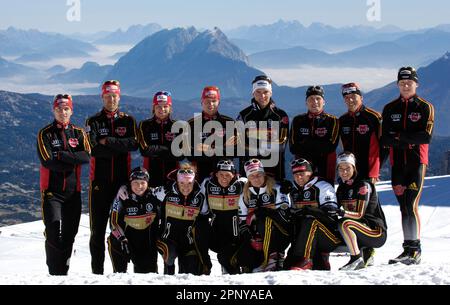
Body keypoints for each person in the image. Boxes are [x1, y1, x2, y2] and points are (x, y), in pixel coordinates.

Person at [381, 67, 434, 265]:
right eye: (402, 82)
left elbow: (425, 137)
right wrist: (407, 139)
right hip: (398, 165)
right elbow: (385, 139)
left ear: (416, 84)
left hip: (417, 163)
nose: (405, 85)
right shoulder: (390, 108)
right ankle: (407, 249)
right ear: (397, 84)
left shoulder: (425, 107)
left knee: (411, 205)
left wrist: (399, 137)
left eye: (409, 82)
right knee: (403, 207)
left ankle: (415, 250)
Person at [85, 80, 139, 274]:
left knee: (122, 229)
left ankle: (121, 272)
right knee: (97, 231)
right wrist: (118, 146)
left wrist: (107, 141)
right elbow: (93, 149)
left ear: (119, 97)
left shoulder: (128, 120)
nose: (111, 99)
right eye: (107, 96)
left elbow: (133, 145)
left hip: (122, 184)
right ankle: (97, 273)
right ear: (102, 97)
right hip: (98, 183)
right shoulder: (93, 121)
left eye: (114, 96)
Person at [37, 94, 91, 275]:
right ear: (54, 110)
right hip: (52, 192)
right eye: (59, 109)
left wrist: (62, 155)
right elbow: (47, 161)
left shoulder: (79, 132)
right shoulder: (45, 133)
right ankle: (54, 272)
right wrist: (73, 160)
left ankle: (64, 272)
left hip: (73, 192)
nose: (63, 112)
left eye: (66, 109)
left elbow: (86, 156)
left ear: (71, 111)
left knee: (70, 234)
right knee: (53, 230)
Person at [284, 158, 342, 271]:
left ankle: (306, 260)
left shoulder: (323, 186)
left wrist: (309, 210)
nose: (298, 177)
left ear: (310, 173)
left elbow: (331, 216)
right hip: (305, 238)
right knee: (287, 267)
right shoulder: (294, 190)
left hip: (329, 237)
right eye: (295, 174)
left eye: (302, 173)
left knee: (310, 219)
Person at [154, 163, 211, 275]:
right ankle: (168, 276)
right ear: (177, 182)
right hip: (166, 239)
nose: (186, 187)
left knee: (191, 270)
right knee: (169, 255)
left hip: (187, 241)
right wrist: (124, 188)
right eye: (182, 183)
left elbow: (204, 217)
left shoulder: (200, 197)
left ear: (194, 182)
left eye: (189, 183)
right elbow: (143, 191)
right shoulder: (166, 192)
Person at [335, 152, 387, 270]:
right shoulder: (342, 187)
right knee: (334, 228)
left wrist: (341, 212)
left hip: (376, 231)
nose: (344, 172)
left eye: (347, 168)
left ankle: (356, 259)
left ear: (354, 167)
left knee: (344, 223)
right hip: (361, 230)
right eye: (340, 169)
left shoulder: (363, 185)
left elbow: (359, 214)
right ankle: (366, 251)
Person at [237, 159, 291, 272]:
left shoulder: (277, 189)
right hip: (258, 237)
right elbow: (242, 222)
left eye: (259, 174)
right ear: (248, 178)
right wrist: (250, 236)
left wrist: (262, 212)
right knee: (244, 255)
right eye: (252, 176)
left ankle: (273, 258)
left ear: (264, 173)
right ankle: (256, 263)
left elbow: (285, 217)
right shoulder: (245, 195)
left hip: (281, 234)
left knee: (263, 219)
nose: (256, 178)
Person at [237, 75, 289, 182]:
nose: (262, 96)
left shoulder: (281, 115)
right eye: (258, 92)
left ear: (271, 93)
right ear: (253, 93)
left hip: (274, 170)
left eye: (265, 92)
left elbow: (280, 146)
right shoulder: (243, 115)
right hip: (249, 171)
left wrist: (252, 138)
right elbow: (240, 146)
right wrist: (268, 139)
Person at [108, 167, 159, 273]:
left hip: (146, 243)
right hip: (126, 240)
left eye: (142, 182)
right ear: (130, 182)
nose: (139, 186)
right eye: (135, 182)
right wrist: (122, 239)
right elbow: (113, 223)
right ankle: (119, 276)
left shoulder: (155, 195)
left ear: (147, 183)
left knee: (147, 276)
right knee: (114, 241)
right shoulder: (122, 196)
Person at [200, 159, 247, 274]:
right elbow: (203, 209)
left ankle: (237, 274)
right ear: (216, 174)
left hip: (237, 234)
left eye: (228, 175)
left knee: (225, 258)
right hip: (217, 233)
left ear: (234, 174)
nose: (224, 178)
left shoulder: (242, 183)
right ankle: (204, 268)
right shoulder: (207, 184)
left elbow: (260, 184)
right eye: (221, 174)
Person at [290, 85, 339, 184]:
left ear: (324, 102)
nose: (315, 102)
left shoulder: (332, 121)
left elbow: (331, 147)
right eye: (311, 99)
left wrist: (305, 142)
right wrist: (320, 144)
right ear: (306, 102)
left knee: (326, 194)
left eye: (318, 98)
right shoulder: (298, 120)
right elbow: (293, 148)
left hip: (326, 166)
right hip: (303, 169)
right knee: (304, 196)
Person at [187, 86, 236, 181]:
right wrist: (222, 148)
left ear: (219, 102)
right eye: (207, 101)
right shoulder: (192, 124)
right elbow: (190, 154)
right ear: (202, 102)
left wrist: (207, 148)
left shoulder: (229, 122)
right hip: (200, 175)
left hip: (225, 176)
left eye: (214, 101)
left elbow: (233, 152)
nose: (211, 104)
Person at [339, 83, 383, 183]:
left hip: (369, 169)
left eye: (353, 97)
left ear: (361, 97)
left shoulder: (374, 117)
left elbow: (384, 147)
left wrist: (375, 171)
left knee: (369, 197)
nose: (350, 100)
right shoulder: (342, 120)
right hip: (349, 170)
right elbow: (343, 146)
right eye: (346, 97)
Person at [139, 91, 178, 187]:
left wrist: (155, 150)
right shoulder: (145, 125)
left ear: (170, 108)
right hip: (151, 174)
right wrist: (169, 149)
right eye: (158, 106)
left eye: (165, 106)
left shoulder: (177, 126)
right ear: (153, 108)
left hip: (173, 175)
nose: (162, 109)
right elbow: (145, 150)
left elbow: (180, 154)